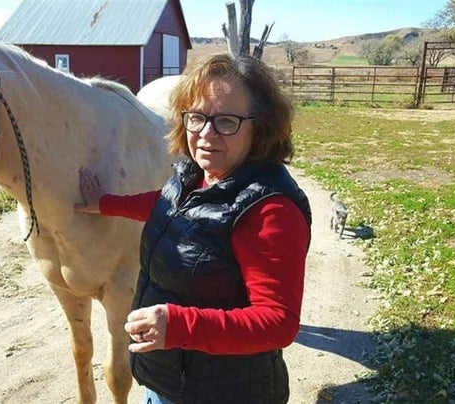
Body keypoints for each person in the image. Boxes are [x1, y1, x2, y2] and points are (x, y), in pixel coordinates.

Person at [75, 53, 311, 404]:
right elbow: (167, 205)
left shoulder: (270, 210)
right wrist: (104, 203)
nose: (205, 134)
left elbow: (278, 322)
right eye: (197, 117)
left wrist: (178, 326)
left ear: (260, 128)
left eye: (226, 121)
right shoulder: (196, 176)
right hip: (170, 378)